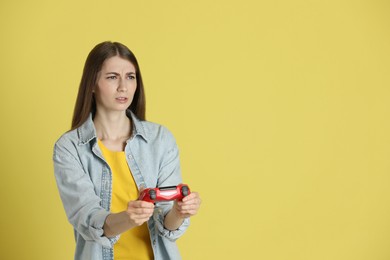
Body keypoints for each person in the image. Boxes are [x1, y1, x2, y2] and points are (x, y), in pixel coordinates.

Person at [53, 41, 201, 260]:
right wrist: (128, 218)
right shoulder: (70, 147)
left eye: (130, 77)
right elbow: (88, 219)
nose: (123, 86)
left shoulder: (160, 140)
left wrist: (179, 212)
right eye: (112, 77)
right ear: (92, 84)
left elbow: (167, 226)